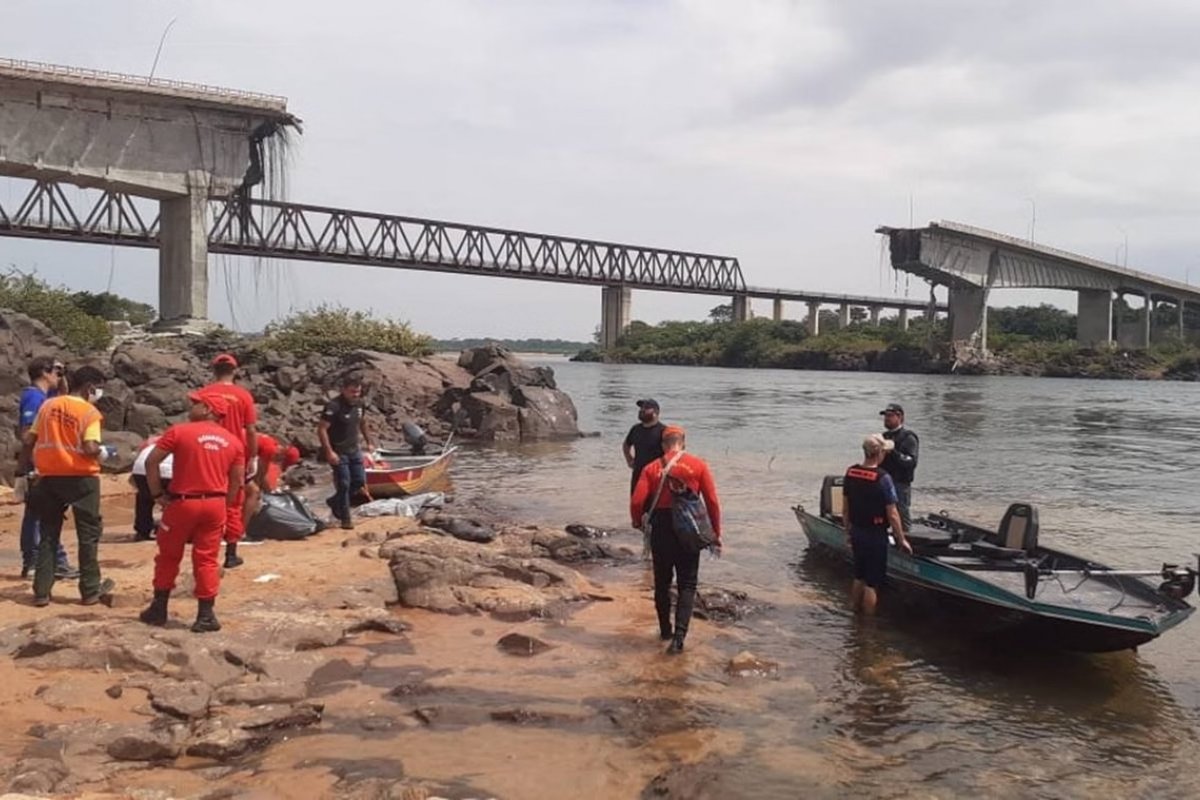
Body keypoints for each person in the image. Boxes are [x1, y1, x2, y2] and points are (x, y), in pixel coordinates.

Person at [139, 391, 245, 633]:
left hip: (183, 503)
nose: (192, 406)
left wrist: (157, 495)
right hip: (215, 503)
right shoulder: (233, 441)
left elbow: (151, 462)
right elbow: (237, 480)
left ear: (208, 409)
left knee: (168, 556)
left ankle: (159, 608)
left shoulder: (179, 431)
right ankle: (206, 615)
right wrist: (226, 507)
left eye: (197, 403)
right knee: (207, 559)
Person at [21, 365, 114, 606]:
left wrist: (23, 472)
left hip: (49, 477)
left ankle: (41, 591)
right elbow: (90, 447)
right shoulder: (89, 413)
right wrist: (103, 453)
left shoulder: (47, 406)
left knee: (49, 534)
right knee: (88, 535)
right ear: (90, 387)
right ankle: (90, 590)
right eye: (99, 388)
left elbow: (29, 440)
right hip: (82, 479)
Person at [630, 425, 722, 655]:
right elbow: (712, 502)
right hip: (689, 529)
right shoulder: (699, 465)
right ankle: (679, 639)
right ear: (683, 443)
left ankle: (664, 631)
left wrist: (637, 523)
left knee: (662, 582)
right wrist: (715, 534)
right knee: (687, 584)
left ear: (663, 445)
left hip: (661, 527)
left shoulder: (652, 468)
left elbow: (636, 502)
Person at [15, 356, 78, 579]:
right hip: (39, 466)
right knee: (39, 513)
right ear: (44, 372)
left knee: (44, 513)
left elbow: (64, 395)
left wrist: (61, 374)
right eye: (57, 372)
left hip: (45, 464)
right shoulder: (33, 398)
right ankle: (38, 561)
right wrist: (35, 466)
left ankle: (48, 560)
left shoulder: (46, 397)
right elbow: (27, 435)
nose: (59, 376)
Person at [195, 353, 258, 569]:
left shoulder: (202, 394)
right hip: (233, 452)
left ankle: (205, 551)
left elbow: (193, 422)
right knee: (233, 501)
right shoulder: (243, 396)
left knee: (205, 496)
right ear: (235, 370)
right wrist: (253, 456)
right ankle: (231, 552)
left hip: (205, 449)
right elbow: (250, 430)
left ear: (213, 370)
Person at [843, 434, 913, 615]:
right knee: (872, 582)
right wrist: (901, 539)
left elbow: (845, 508)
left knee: (859, 576)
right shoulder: (883, 478)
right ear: (880, 453)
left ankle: (852, 612)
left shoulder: (851, 472)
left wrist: (848, 533)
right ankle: (867, 628)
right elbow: (893, 514)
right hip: (875, 534)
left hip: (857, 531)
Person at [318, 373, 374, 530]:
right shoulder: (333, 406)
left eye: (357, 391)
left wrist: (369, 442)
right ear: (343, 390)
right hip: (338, 450)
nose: (355, 395)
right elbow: (322, 429)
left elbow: (363, 423)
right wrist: (329, 452)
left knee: (358, 481)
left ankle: (334, 502)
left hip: (354, 449)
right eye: (352, 391)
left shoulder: (360, 404)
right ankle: (345, 519)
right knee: (343, 483)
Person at [242, 433, 302, 529]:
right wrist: (266, 494)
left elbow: (259, 474)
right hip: (234, 450)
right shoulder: (269, 450)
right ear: (282, 455)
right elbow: (261, 475)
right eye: (279, 460)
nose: (275, 461)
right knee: (253, 492)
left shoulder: (267, 441)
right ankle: (240, 531)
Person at [879, 403, 919, 530]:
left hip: (900, 483)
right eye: (885, 416)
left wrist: (893, 452)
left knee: (901, 514)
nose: (886, 419)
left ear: (900, 417)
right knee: (881, 512)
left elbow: (911, 463)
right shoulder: (883, 436)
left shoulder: (908, 437)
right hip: (883, 481)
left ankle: (906, 541)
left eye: (890, 416)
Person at [131, 435, 172, 541]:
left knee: (143, 498)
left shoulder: (154, 441)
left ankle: (142, 531)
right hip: (165, 470)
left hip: (139, 469)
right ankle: (171, 530)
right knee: (177, 499)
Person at [622, 398, 666, 495]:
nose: (642, 410)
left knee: (655, 507)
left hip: (656, 477)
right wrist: (629, 459)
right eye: (641, 408)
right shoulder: (635, 429)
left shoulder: (663, 431)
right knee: (636, 505)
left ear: (656, 412)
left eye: (646, 408)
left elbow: (671, 454)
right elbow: (626, 445)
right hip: (638, 475)